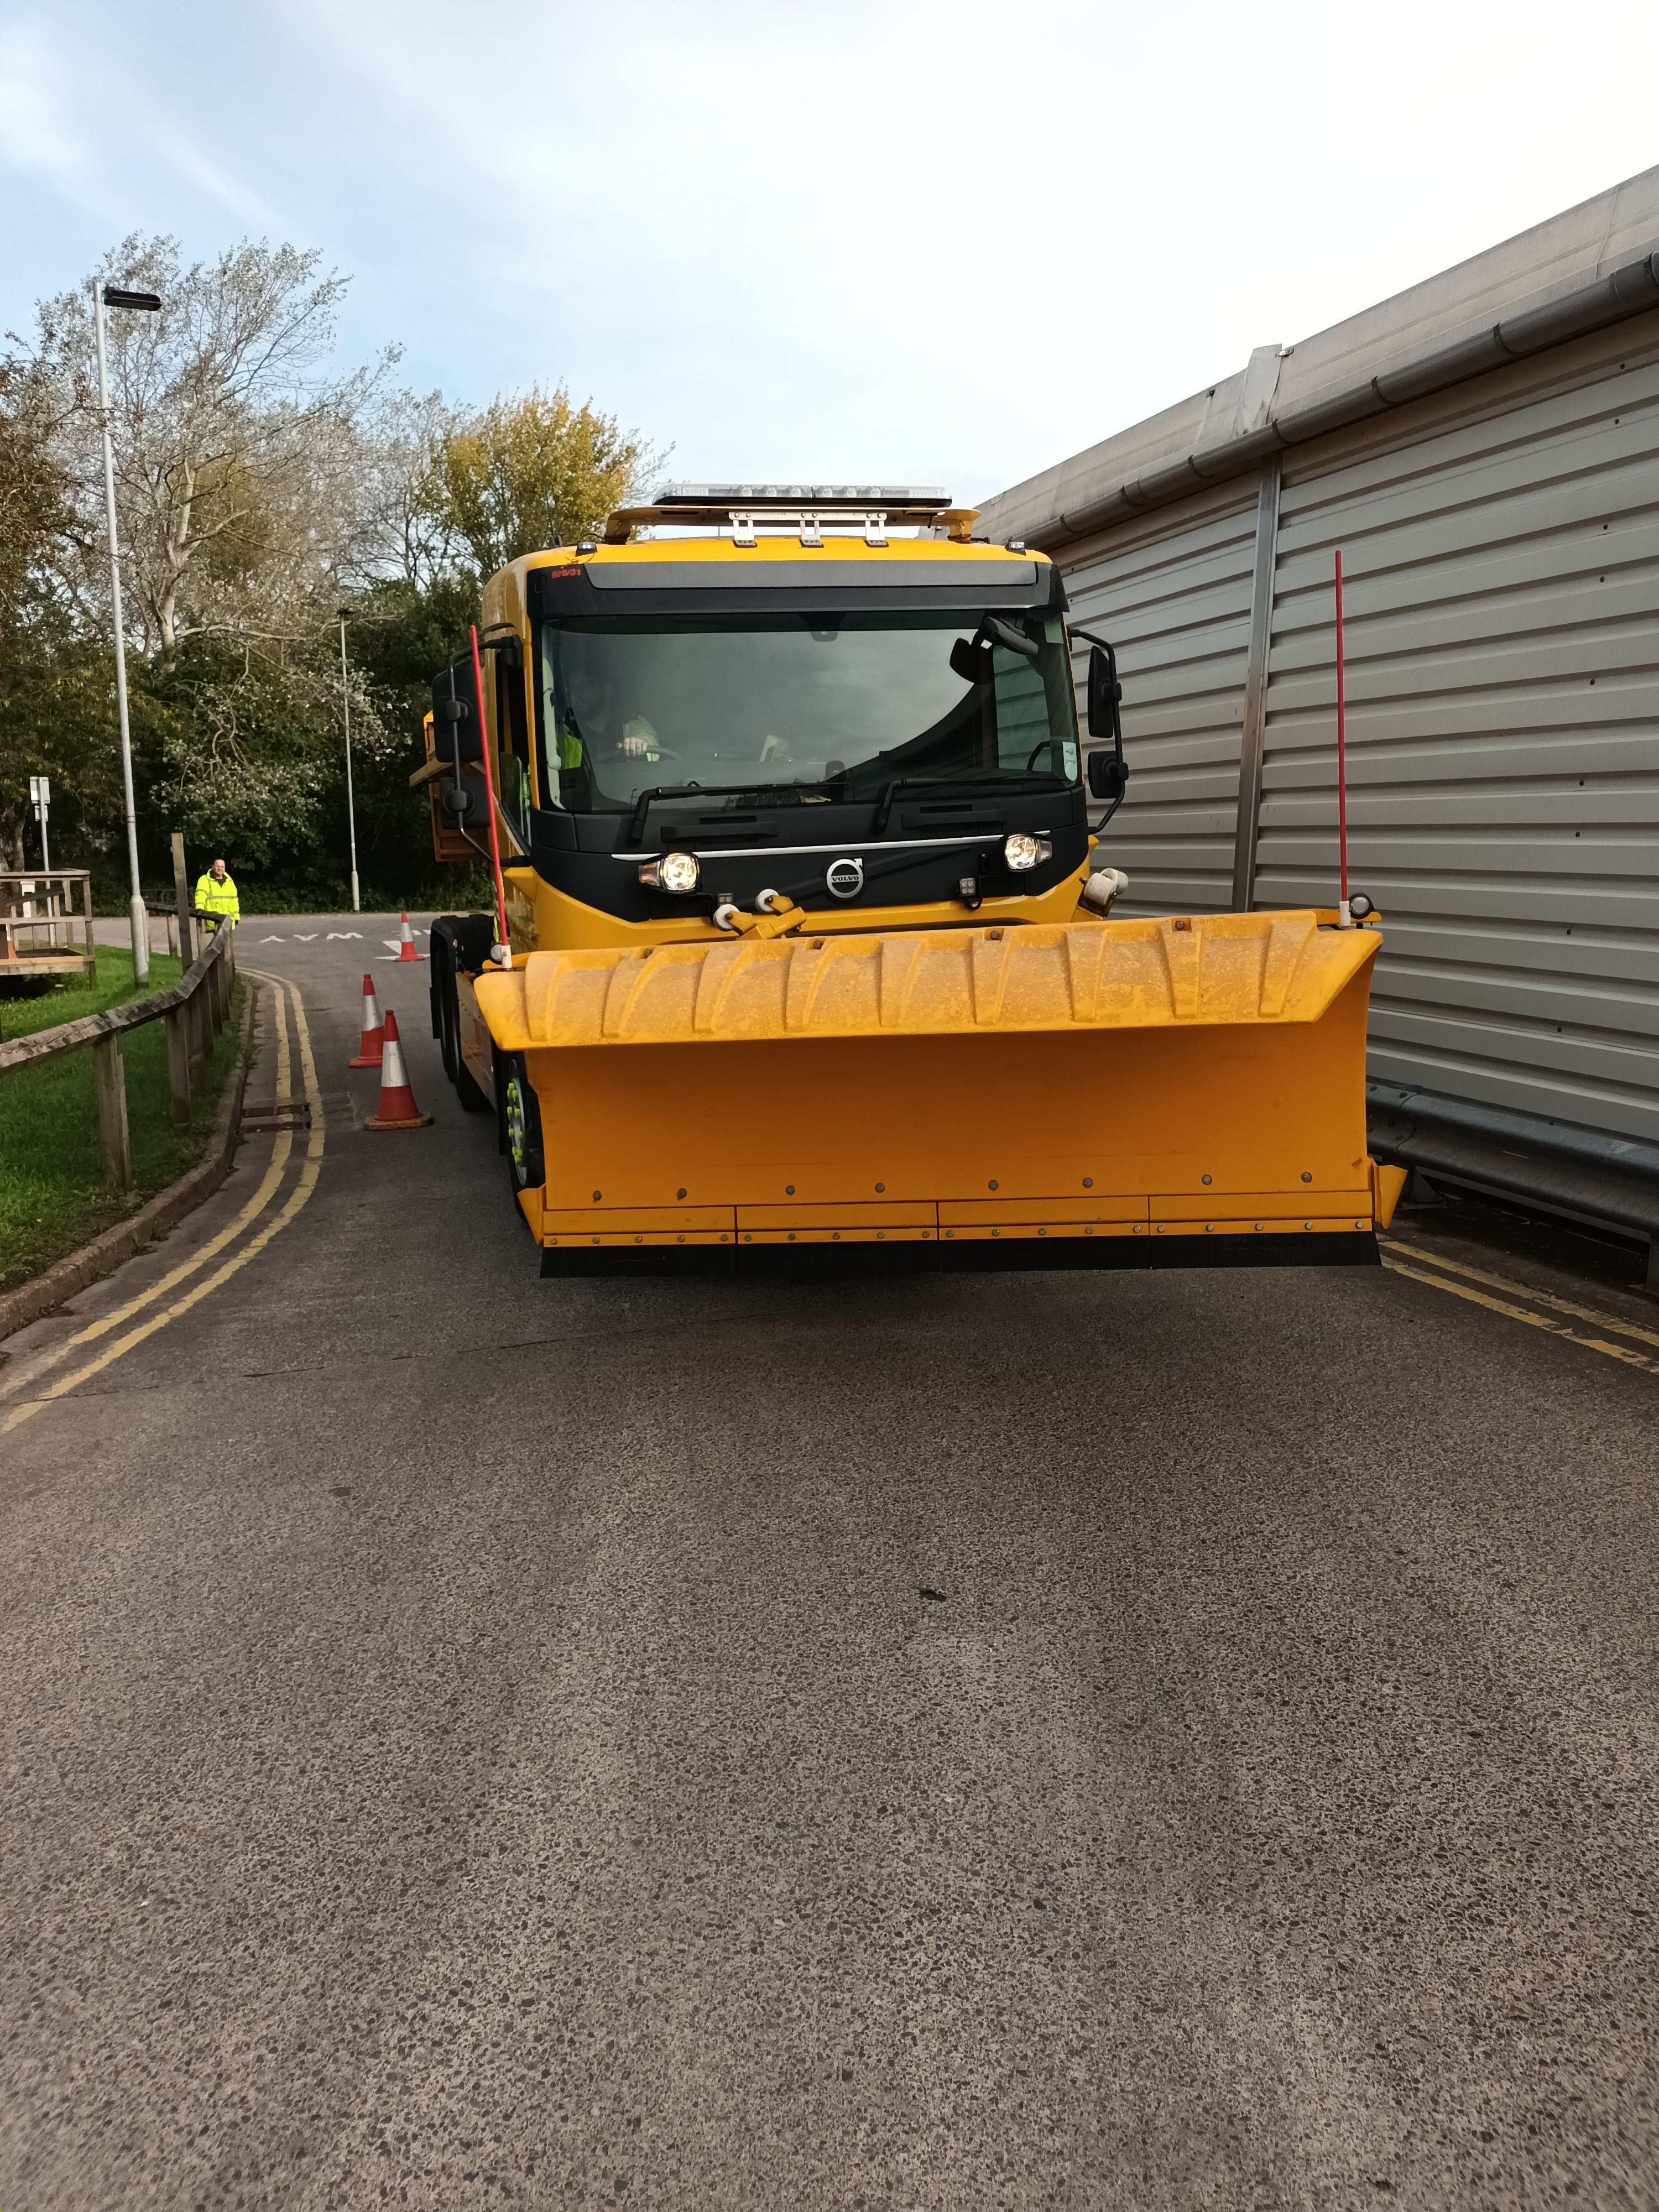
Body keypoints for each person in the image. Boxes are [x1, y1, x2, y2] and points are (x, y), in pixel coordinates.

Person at [193, 856, 241, 934]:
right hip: (212, 919)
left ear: (225, 868)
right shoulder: (205, 880)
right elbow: (201, 895)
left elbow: (234, 901)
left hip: (228, 919)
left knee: (224, 944)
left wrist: (236, 917)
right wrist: (199, 908)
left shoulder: (229, 882)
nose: (220, 868)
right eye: (218, 866)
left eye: (222, 867)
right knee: (218, 944)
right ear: (213, 867)